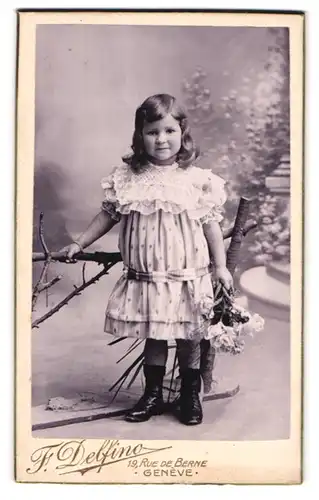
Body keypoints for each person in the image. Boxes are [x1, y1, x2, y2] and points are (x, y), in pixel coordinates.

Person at [63, 93, 233, 426]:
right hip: (148, 276)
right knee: (154, 335)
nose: (161, 139)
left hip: (187, 275)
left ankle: (189, 396)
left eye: (169, 131)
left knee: (189, 337)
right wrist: (79, 242)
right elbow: (108, 215)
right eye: (152, 131)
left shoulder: (197, 180)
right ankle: (152, 394)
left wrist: (222, 267)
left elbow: (211, 226)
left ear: (182, 133)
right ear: (140, 135)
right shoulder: (128, 177)